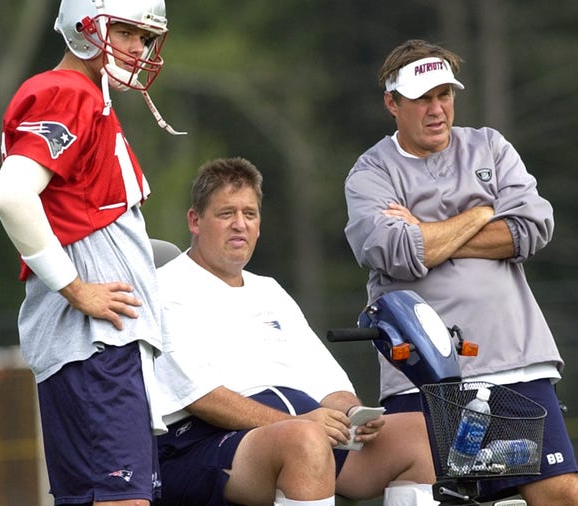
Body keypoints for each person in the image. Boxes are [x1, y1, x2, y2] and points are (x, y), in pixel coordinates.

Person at [343, 39, 578, 505]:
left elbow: (531, 228)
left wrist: (428, 235)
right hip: (422, 373)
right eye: (422, 99)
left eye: (445, 95)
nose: (436, 110)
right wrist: (479, 214)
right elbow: (392, 249)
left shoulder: (490, 145)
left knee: (561, 492)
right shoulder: (371, 171)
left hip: (515, 360)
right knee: (445, 497)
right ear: (392, 104)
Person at [154, 157, 437, 506]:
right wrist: (300, 422)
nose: (239, 225)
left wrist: (352, 415)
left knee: (419, 434)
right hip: (204, 446)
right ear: (195, 221)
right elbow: (202, 397)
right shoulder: (165, 288)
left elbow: (323, 378)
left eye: (250, 214)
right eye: (226, 214)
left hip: (301, 431)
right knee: (304, 440)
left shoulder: (269, 289)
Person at [0, 1, 182, 504]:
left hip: (97, 347)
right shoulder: (66, 92)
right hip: (96, 346)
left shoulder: (86, 97)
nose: (139, 49)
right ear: (86, 26)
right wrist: (76, 290)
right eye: (127, 32)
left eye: (143, 37)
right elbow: (10, 195)